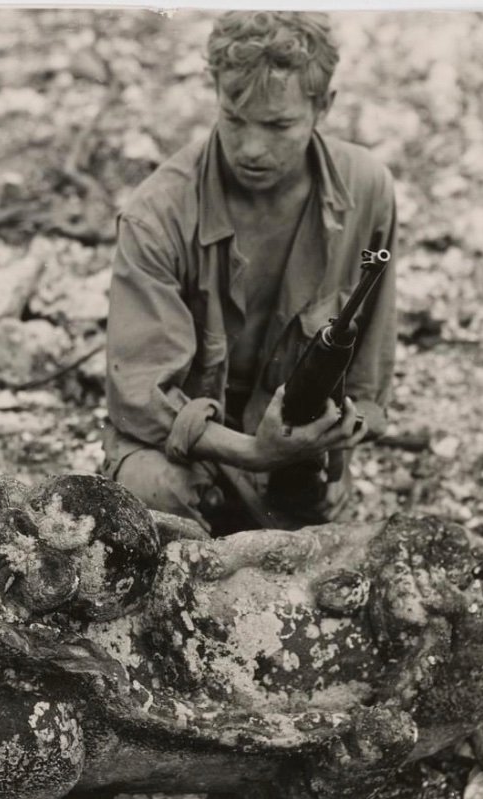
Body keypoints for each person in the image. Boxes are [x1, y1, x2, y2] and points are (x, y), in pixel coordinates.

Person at [102, 11, 397, 534]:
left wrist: (339, 430)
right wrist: (253, 452)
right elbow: (140, 400)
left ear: (322, 107)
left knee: (313, 553)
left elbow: (369, 389)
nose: (252, 149)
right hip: (187, 455)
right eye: (234, 118)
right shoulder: (157, 216)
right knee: (149, 492)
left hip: (299, 460)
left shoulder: (366, 190)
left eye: (279, 125)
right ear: (214, 92)